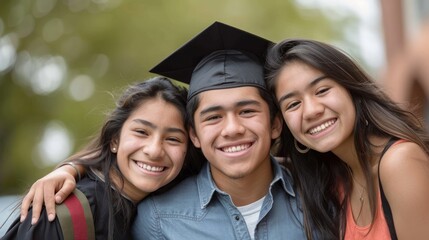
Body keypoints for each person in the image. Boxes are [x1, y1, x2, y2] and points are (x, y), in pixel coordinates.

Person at [17, 22, 310, 239]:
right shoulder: (152, 219)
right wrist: (71, 169)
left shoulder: (320, 195)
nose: (232, 129)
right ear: (196, 136)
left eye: (246, 111)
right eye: (213, 117)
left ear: (275, 124)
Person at [265, 38, 429, 239]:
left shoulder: (399, 162)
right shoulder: (334, 176)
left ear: (350, 89)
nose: (311, 111)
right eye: (293, 104)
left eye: (322, 90)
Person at [2, 76, 192, 239]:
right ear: (114, 140)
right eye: (142, 132)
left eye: (173, 139)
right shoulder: (68, 212)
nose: (154, 150)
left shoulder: (171, 211)